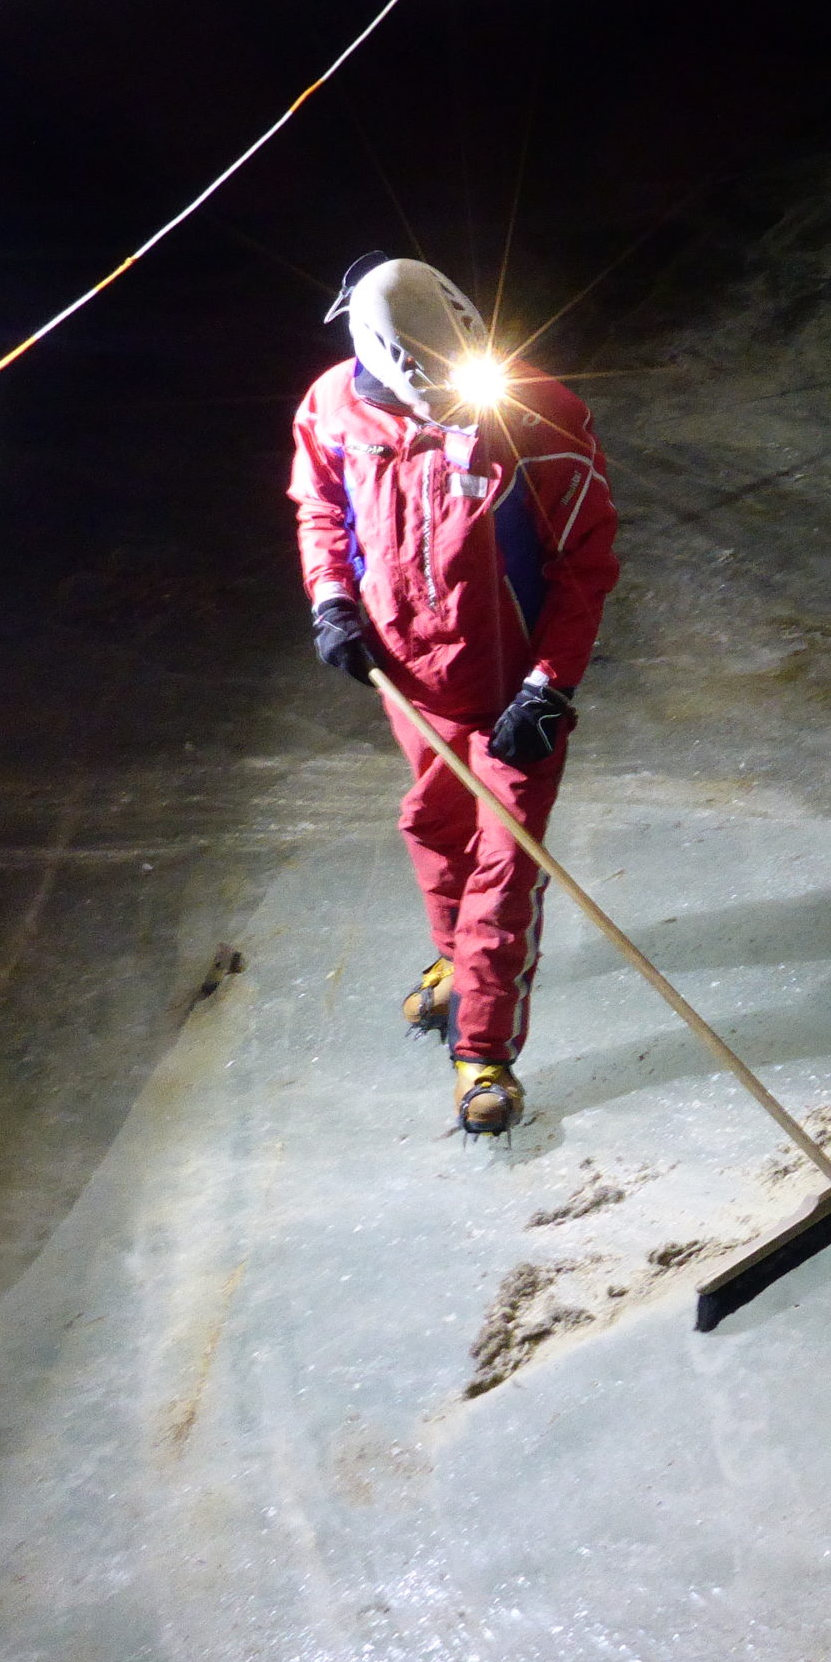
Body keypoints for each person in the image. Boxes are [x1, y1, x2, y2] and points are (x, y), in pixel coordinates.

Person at [287, 256, 620, 1135]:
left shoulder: (538, 415)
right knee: (436, 830)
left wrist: (550, 687)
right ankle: (453, 959)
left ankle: (484, 1050)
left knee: (504, 866)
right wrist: (331, 599)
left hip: (515, 690)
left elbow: (583, 565)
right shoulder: (334, 408)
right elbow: (317, 505)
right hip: (410, 674)